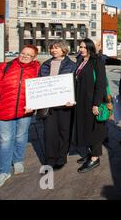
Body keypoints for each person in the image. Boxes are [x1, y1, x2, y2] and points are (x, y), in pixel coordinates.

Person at [0, 45, 40, 188]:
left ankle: (18, 160)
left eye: (29, 55)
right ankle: (4, 171)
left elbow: (41, 90)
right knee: (5, 140)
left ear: (34, 58)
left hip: (25, 111)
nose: (25, 56)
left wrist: (36, 105)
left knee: (21, 136)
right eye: (23, 53)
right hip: (3, 110)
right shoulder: (6, 66)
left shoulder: (37, 69)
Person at [38, 40, 76, 170]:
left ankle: (61, 157)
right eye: (52, 48)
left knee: (64, 132)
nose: (54, 50)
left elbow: (75, 85)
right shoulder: (45, 65)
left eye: (57, 48)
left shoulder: (72, 65)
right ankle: (50, 158)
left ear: (64, 49)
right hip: (48, 105)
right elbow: (38, 83)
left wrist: (72, 99)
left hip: (65, 106)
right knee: (49, 133)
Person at [71, 38, 107, 173]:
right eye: (80, 47)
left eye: (84, 47)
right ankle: (89, 154)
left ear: (90, 48)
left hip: (92, 100)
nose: (81, 49)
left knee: (95, 129)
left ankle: (95, 157)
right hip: (81, 100)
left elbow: (101, 83)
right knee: (86, 126)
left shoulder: (96, 61)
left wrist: (96, 104)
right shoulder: (80, 61)